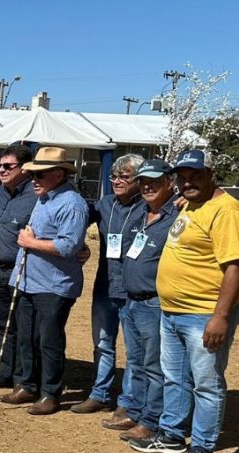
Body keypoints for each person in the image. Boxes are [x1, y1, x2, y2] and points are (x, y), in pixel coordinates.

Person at [129, 150, 239, 453]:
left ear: (212, 174)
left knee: (206, 384)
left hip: (203, 313)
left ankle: (203, 447)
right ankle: (170, 435)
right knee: (175, 377)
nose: (187, 182)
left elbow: (236, 268)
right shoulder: (193, 205)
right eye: (182, 177)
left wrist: (220, 316)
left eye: (195, 175)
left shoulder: (227, 211)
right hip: (173, 311)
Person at [0, 146, 89, 415]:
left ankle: (50, 392)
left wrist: (31, 242)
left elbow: (68, 246)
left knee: (48, 340)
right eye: (33, 174)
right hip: (27, 280)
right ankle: (28, 384)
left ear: (59, 174)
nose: (34, 180)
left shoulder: (72, 203)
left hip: (54, 285)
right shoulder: (44, 197)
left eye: (41, 174)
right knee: (26, 336)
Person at [73, 154, 144, 417]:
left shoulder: (148, 207)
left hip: (136, 291)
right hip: (105, 285)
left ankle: (128, 402)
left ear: (139, 179)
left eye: (124, 177)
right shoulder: (104, 204)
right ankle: (100, 394)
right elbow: (75, 217)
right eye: (113, 176)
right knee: (102, 342)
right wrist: (79, 245)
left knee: (135, 352)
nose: (116, 181)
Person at [114, 159, 178, 442]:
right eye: (143, 181)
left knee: (154, 366)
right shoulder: (140, 210)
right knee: (136, 361)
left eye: (154, 180)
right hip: (132, 300)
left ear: (169, 182)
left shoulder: (176, 215)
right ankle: (136, 411)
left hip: (154, 302)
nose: (147, 186)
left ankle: (151, 420)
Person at [0, 144, 39, 392]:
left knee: (23, 326)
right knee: (1, 324)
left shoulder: (36, 195)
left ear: (24, 169)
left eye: (7, 166)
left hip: (22, 269)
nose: (1, 170)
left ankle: (23, 379)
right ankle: (2, 372)